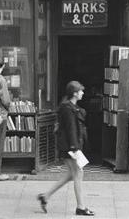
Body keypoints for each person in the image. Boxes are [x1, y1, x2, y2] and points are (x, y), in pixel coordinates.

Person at [37, 81, 95, 216]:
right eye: (81, 90)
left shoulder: (70, 107)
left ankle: (45, 196)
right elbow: (71, 129)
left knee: (72, 174)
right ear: (74, 93)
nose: (83, 93)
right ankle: (80, 207)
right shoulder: (68, 109)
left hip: (69, 146)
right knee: (78, 173)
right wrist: (75, 148)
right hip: (70, 146)